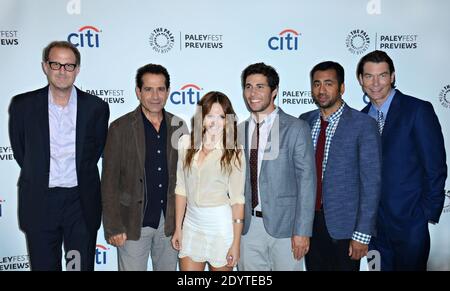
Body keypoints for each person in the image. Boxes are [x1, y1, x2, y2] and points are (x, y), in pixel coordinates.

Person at [8, 40, 110, 271]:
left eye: (69, 66)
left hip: (79, 205)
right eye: (56, 64)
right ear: (45, 66)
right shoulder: (23, 106)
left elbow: (94, 153)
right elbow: (22, 152)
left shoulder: (96, 108)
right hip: (40, 203)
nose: (62, 71)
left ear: (77, 69)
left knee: (79, 267)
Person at [358, 50, 447, 271]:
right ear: (360, 80)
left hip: (409, 225)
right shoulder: (360, 118)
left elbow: (435, 166)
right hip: (373, 229)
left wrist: (424, 213)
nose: (376, 83)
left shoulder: (417, 110)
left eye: (382, 75)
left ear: (393, 76)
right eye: (369, 76)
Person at [101, 64, 188, 271]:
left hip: (170, 223)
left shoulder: (179, 126)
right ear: (138, 92)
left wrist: (184, 223)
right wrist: (113, 226)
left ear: (167, 91)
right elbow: (109, 181)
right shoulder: (119, 128)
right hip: (131, 223)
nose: (155, 96)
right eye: (148, 89)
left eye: (160, 89)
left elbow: (186, 178)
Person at [299, 61, 381, 271]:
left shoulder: (363, 125)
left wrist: (362, 235)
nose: (322, 90)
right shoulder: (305, 121)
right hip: (310, 225)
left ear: (341, 88)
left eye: (328, 83)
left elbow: (371, 184)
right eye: (316, 84)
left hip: (346, 229)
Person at [237, 62, 316, 271]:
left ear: (274, 91)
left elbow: (307, 183)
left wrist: (302, 231)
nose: (253, 93)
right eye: (248, 86)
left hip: (287, 229)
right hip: (248, 227)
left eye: (260, 86)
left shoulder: (296, 128)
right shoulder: (238, 131)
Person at [171, 91, 245, 271]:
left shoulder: (234, 150)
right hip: (191, 224)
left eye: (221, 116)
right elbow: (181, 189)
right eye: (209, 115)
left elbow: (237, 200)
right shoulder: (185, 143)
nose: (214, 121)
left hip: (220, 227)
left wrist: (236, 243)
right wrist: (178, 229)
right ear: (201, 117)